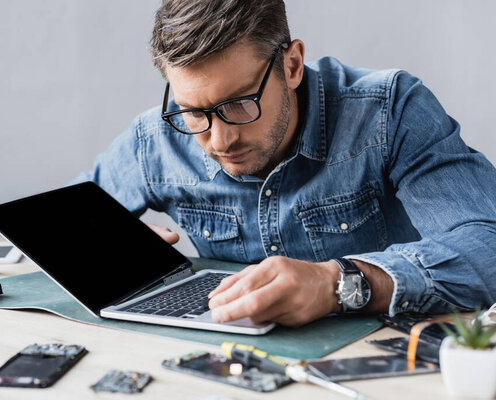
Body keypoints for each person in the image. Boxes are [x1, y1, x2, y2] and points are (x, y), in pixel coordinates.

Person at [74, 0, 496, 326]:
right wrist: (108, 236)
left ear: (291, 65)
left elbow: (487, 243)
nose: (219, 141)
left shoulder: (390, 110)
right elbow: (55, 219)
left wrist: (339, 283)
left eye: (239, 103)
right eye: (194, 111)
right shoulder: (157, 139)